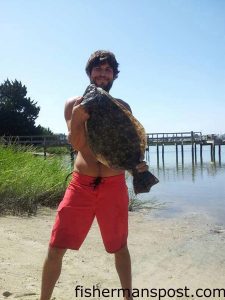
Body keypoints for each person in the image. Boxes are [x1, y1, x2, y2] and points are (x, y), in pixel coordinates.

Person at [39, 50, 148, 300]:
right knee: (56, 247)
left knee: (120, 248)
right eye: (98, 69)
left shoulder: (123, 106)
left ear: (114, 75)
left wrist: (137, 164)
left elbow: (131, 142)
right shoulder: (73, 104)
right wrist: (77, 119)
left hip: (114, 185)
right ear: (90, 73)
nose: (102, 73)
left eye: (108, 69)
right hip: (81, 185)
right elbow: (77, 144)